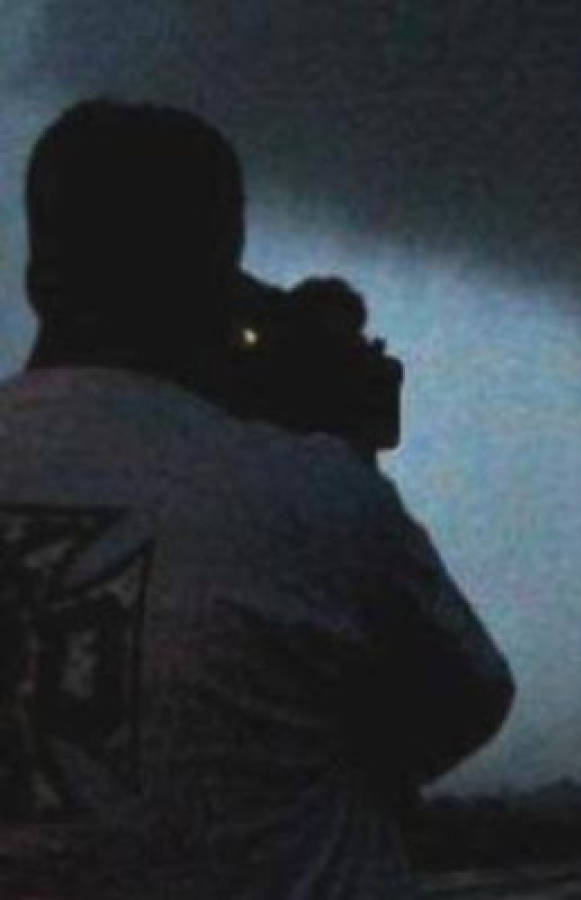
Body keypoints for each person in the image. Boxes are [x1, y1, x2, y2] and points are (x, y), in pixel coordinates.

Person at [0, 99, 514, 898]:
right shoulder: (314, 496)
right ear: (224, 273)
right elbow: (457, 705)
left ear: (38, 273)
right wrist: (337, 452)